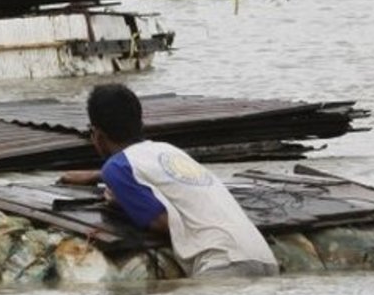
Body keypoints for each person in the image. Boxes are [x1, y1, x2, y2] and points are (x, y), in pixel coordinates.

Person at [61, 84, 279, 278]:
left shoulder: (116, 169)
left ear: (97, 135)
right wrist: (97, 175)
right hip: (263, 257)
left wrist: (122, 202)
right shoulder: (168, 151)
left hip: (222, 264)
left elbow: (163, 223)